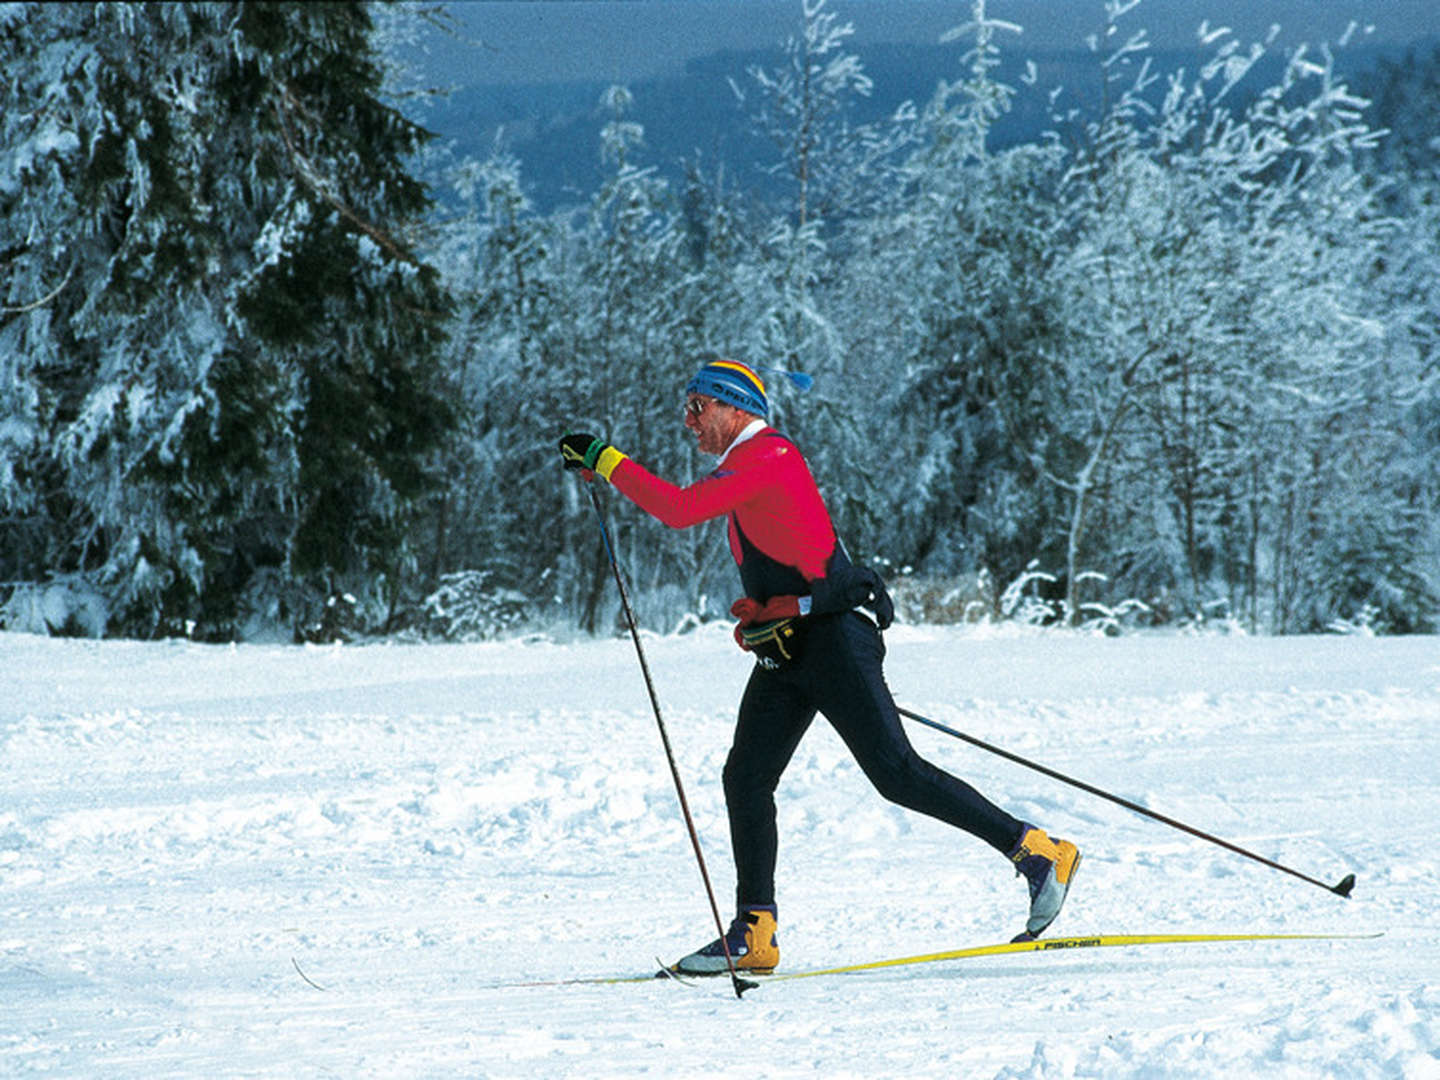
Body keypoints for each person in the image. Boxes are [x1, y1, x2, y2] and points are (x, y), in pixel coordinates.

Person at [559, 356, 1079, 975]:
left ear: (735, 408)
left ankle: (1037, 852)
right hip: (795, 646)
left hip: (836, 640)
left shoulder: (768, 456)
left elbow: (676, 509)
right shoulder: (743, 467)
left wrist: (603, 457)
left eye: (698, 408)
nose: (688, 421)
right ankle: (755, 932)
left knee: (896, 774)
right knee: (745, 777)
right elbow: (790, 561)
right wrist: (763, 613)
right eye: (687, 408)